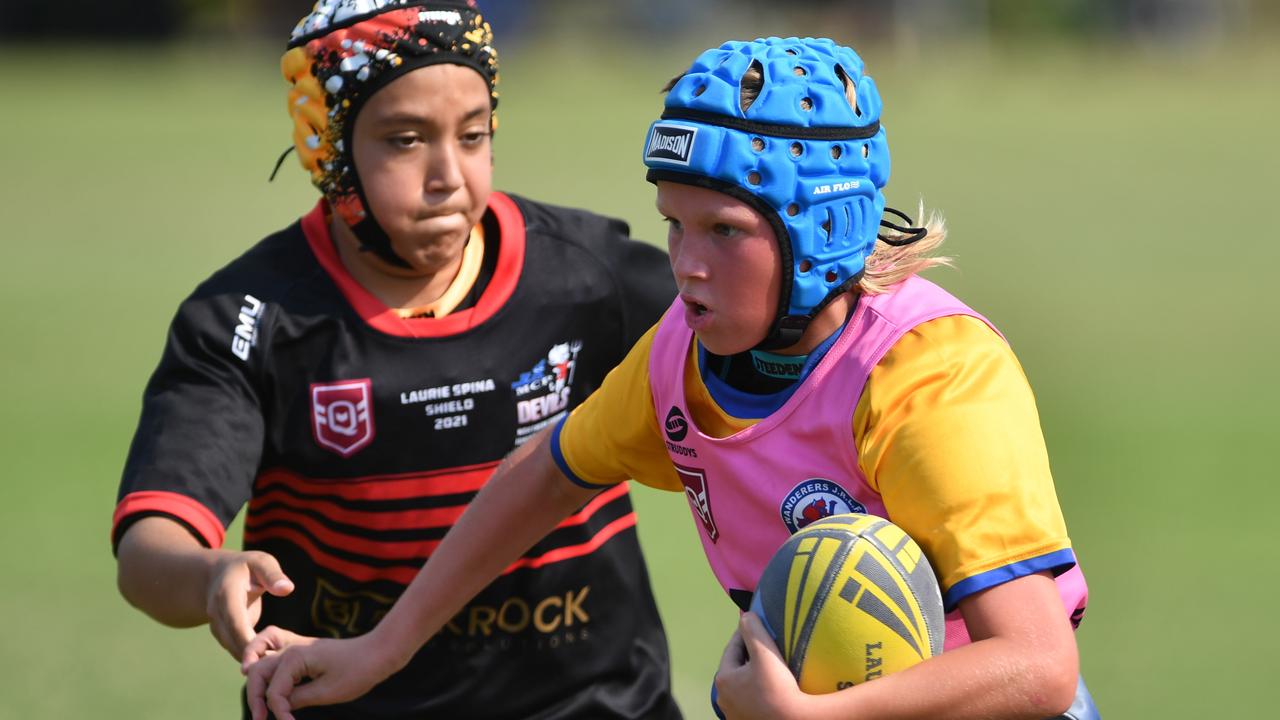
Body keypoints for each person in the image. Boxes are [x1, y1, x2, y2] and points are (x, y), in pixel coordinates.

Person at [244, 36, 1099, 720]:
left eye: (724, 231)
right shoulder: (680, 359)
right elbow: (544, 475)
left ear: (821, 227)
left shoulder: (928, 378)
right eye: (674, 226)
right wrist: (384, 646)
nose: (685, 266)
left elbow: (1037, 669)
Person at [111, 1, 682, 718]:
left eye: (473, 136)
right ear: (330, 144)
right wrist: (208, 576)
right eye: (406, 140)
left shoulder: (586, 276)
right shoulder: (250, 321)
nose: (448, 174)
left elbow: (760, 356)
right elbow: (148, 548)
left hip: (593, 704)